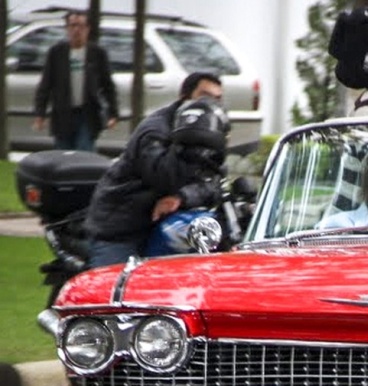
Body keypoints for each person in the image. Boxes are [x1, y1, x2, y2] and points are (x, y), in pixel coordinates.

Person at [84, 72, 228, 269]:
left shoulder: (209, 132)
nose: (210, 103)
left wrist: (182, 197)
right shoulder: (155, 130)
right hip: (122, 226)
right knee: (115, 283)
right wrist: (190, 146)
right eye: (204, 96)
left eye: (217, 98)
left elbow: (214, 180)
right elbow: (162, 176)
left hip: (162, 223)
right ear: (184, 97)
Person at [33, 10, 118, 151]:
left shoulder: (97, 53)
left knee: (84, 153)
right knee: (63, 155)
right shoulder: (56, 53)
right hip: (63, 114)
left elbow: (107, 85)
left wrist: (113, 113)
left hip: (87, 114)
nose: (77, 30)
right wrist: (40, 113)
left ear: (87, 29)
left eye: (81, 26)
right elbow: (46, 84)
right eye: (73, 26)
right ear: (67, 28)